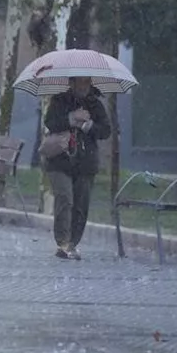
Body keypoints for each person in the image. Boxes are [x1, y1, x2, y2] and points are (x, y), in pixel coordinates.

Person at [42, 76, 111, 260]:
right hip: (60, 160)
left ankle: (72, 243)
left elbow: (106, 130)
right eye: (80, 82)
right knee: (65, 199)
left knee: (81, 205)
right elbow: (50, 123)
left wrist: (87, 125)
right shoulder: (59, 100)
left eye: (87, 82)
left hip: (85, 163)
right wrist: (71, 119)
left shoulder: (95, 104)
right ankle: (62, 242)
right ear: (71, 83)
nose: (83, 86)